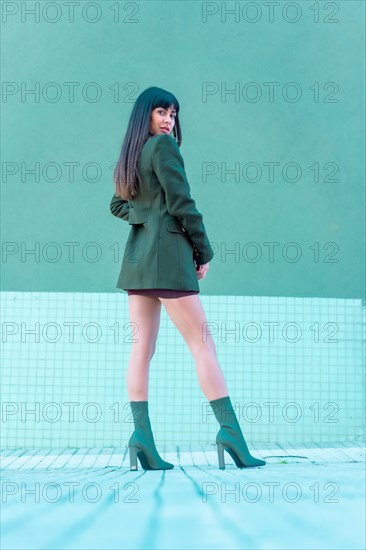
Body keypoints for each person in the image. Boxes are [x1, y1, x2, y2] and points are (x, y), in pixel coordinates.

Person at [110, 86, 265, 471]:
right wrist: (203, 250)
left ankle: (141, 439)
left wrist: (145, 217)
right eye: (161, 112)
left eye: (174, 114)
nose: (168, 120)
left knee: (141, 350)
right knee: (202, 344)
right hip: (169, 260)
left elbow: (118, 204)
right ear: (144, 115)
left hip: (137, 263)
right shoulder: (164, 149)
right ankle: (231, 434)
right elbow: (183, 203)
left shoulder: (132, 154)